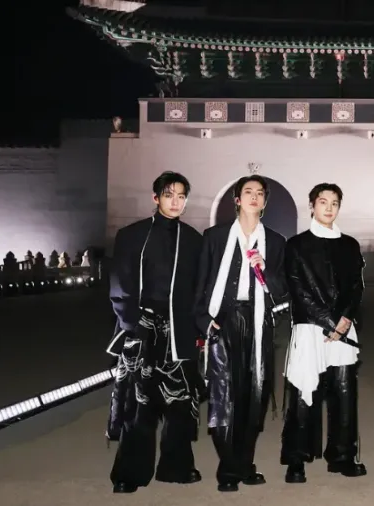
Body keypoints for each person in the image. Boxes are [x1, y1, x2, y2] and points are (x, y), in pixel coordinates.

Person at [106, 171, 204, 493]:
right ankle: (129, 473)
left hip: (180, 329)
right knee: (139, 403)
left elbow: (199, 289)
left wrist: (199, 328)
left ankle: (177, 467)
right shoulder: (132, 235)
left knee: (180, 402)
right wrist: (132, 324)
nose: (175, 202)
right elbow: (119, 284)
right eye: (169, 195)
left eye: (181, 196)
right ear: (156, 197)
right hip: (142, 328)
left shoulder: (193, 240)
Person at [194, 175, 289, 492]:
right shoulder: (215, 237)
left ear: (265, 202)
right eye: (248, 192)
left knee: (254, 396)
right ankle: (229, 468)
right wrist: (204, 320)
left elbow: (282, 291)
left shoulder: (275, 241)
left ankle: (244, 463)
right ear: (237, 199)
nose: (254, 197)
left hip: (258, 321)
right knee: (224, 396)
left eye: (260, 193)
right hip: (223, 320)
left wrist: (266, 270)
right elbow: (201, 283)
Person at [279, 183, 367, 483]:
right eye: (323, 202)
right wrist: (329, 321)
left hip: (343, 328)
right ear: (311, 206)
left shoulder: (350, 244)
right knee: (304, 394)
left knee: (344, 393)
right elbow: (297, 287)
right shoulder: (296, 244)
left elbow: (356, 286)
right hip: (309, 327)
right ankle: (296, 459)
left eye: (334, 203)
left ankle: (342, 456)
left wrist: (345, 320)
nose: (329, 208)